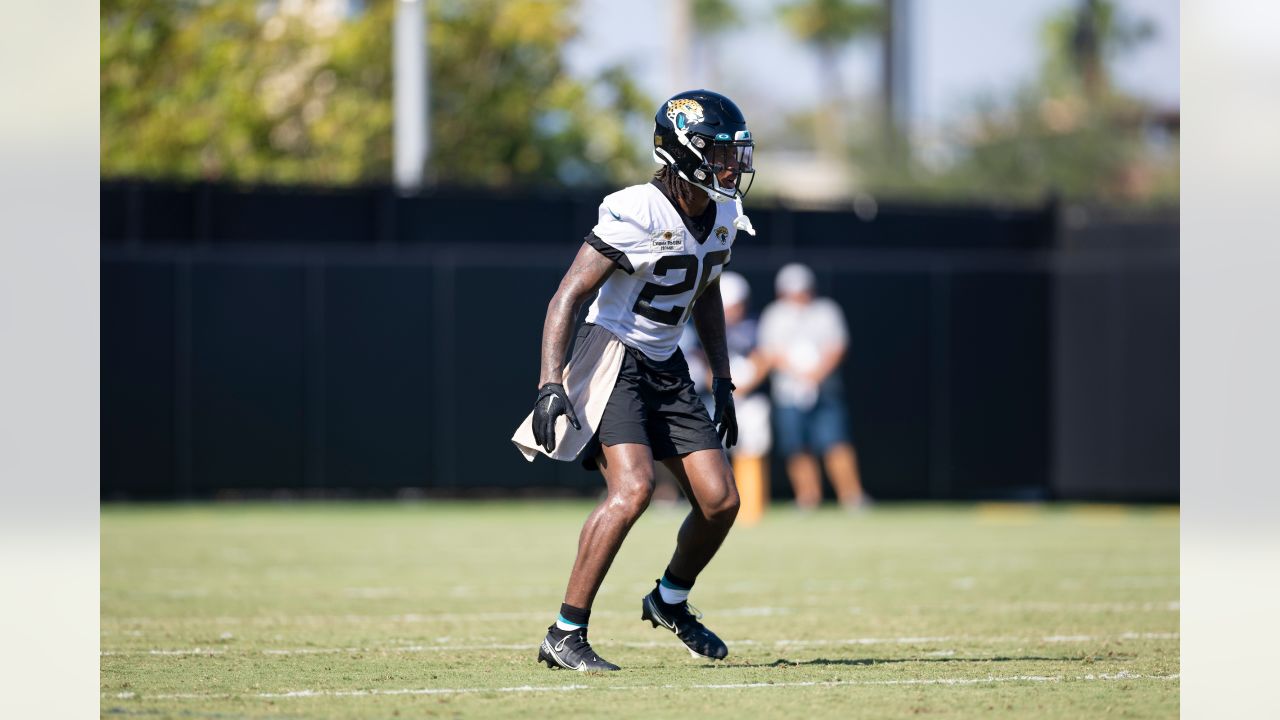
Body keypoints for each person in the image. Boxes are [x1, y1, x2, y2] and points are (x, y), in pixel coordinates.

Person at [511, 90, 757, 672]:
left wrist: (722, 379)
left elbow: (708, 290)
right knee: (633, 491)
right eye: (720, 153)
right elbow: (569, 293)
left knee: (721, 502)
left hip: (668, 364)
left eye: (734, 153)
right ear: (684, 152)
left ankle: (670, 598)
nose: (733, 166)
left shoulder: (721, 214)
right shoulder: (638, 210)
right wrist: (551, 383)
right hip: (614, 356)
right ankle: (565, 631)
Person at [758, 263, 868, 510]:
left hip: (825, 389)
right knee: (797, 447)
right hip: (788, 393)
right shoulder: (774, 314)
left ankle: (852, 497)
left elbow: (837, 347)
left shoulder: (826, 311)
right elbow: (771, 352)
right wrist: (799, 376)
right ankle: (808, 498)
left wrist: (816, 376)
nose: (799, 295)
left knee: (836, 442)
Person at [685, 271, 772, 525]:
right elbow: (701, 359)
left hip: (749, 396)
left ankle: (752, 507)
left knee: (752, 448)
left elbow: (763, 358)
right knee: (711, 450)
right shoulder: (705, 324)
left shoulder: (754, 326)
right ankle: (708, 504)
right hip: (717, 396)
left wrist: (744, 386)